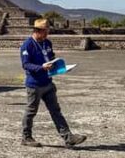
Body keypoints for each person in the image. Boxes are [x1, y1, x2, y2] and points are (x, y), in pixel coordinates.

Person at [20, 18, 87, 148]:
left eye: (47, 31)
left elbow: (50, 58)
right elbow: (26, 64)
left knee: (56, 111)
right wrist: (41, 67)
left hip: (48, 83)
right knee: (31, 111)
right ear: (37, 31)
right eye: (44, 32)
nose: (47, 34)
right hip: (34, 84)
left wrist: (60, 67)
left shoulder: (47, 43)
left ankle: (68, 138)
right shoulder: (27, 45)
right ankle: (26, 137)